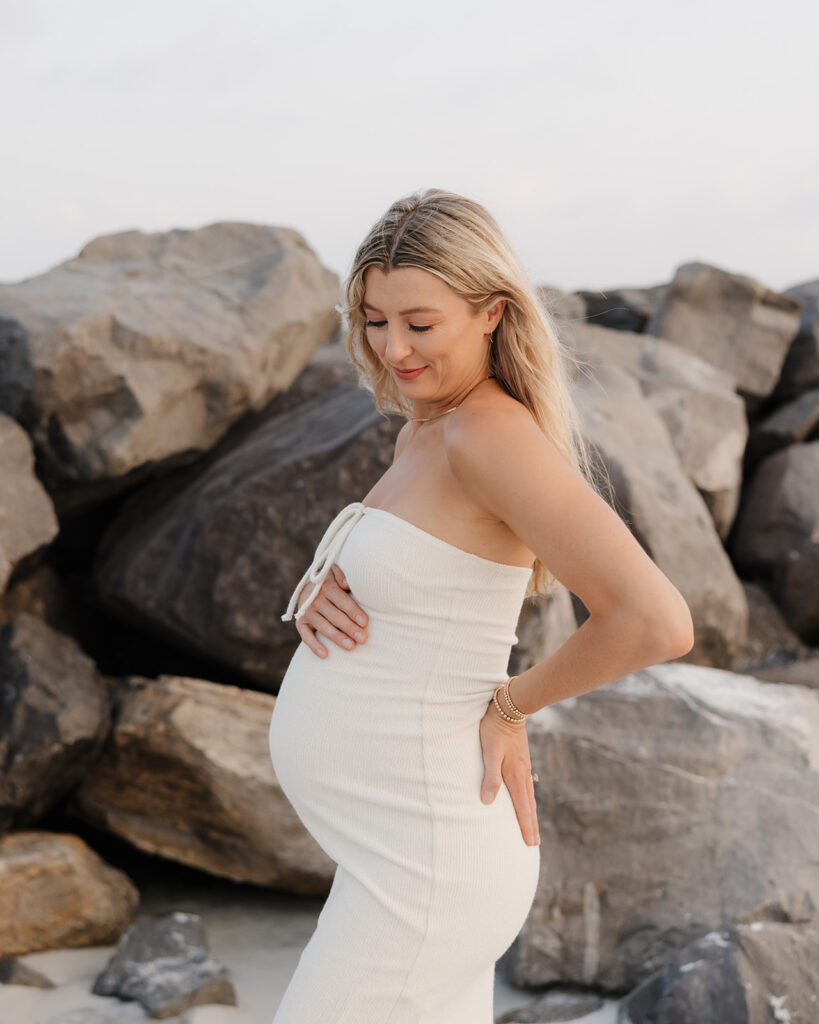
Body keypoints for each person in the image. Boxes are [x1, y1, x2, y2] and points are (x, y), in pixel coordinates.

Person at [268, 188, 694, 1024]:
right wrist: (324, 585)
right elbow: (430, 581)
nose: (392, 347)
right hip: (391, 853)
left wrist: (507, 708)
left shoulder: (487, 436)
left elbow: (654, 621)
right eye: (374, 318)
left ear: (492, 313)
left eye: (420, 324)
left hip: (426, 864)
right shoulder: (424, 430)